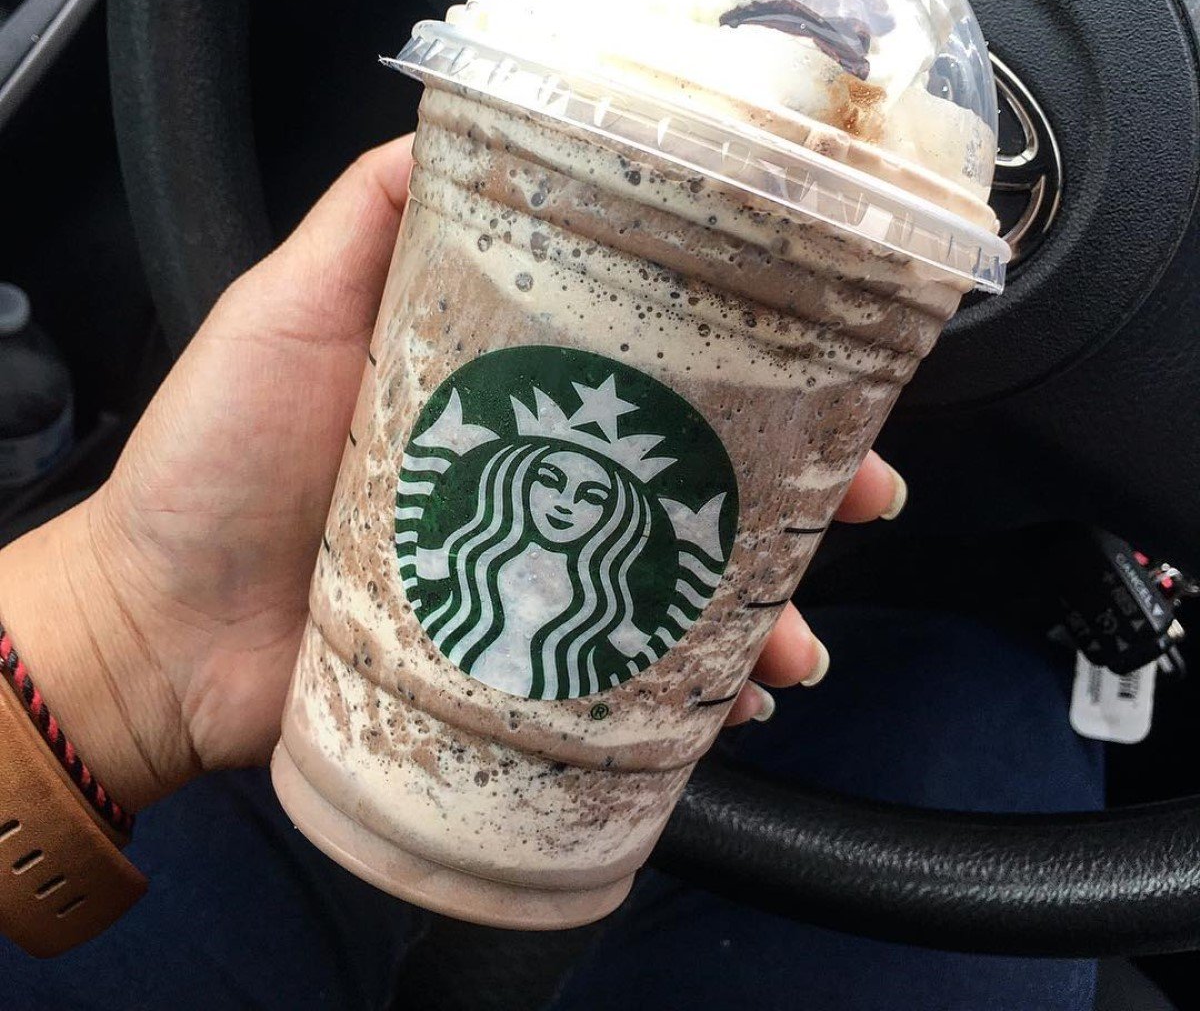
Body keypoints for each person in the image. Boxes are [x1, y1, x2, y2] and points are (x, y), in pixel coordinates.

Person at [0, 137, 1101, 1009]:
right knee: (973, 704)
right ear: (515, 477)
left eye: (597, 497)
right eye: (551, 482)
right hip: (304, 738)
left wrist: (129, 628)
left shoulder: (603, 600)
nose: (569, 503)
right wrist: (126, 619)